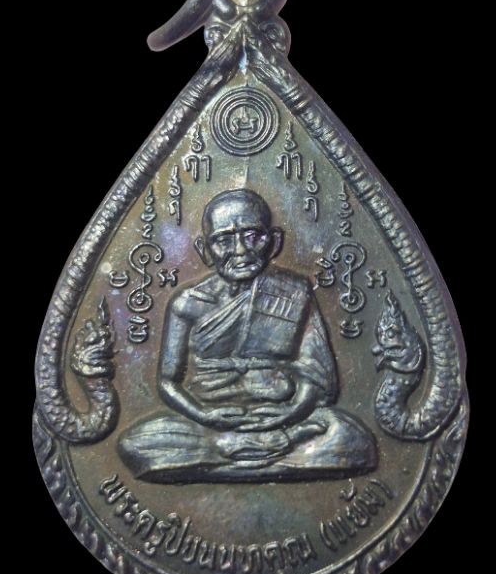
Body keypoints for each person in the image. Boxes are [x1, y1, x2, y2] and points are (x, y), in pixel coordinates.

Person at [118, 189, 377, 481]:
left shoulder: (295, 291)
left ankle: (230, 457)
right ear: (204, 249)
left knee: (351, 439)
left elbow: (315, 374)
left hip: (282, 415)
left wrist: (291, 413)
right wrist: (204, 415)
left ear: (274, 241)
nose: (241, 250)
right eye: (224, 240)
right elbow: (167, 382)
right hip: (210, 421)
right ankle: (265, 454)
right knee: (135, 444)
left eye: (253, 236)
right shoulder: (187, 303)